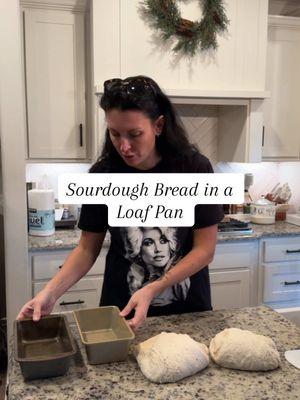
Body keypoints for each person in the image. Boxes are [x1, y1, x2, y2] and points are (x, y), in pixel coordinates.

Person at [17, 75, 224, 330]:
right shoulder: (103, 174)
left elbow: (205, 250)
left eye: (135, 134)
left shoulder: (194, 168)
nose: (124, 146)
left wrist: (154, 288)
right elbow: (86, 250)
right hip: (121, 313)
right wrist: (49, 293)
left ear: (158, 125)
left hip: (187, 311)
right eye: (115, 133)